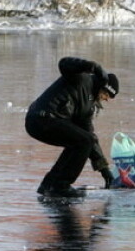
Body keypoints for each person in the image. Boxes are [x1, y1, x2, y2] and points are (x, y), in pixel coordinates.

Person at [25, 57, 118, 197]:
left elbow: (90, 137)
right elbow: (64, 64)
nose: (105, 99)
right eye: (106, 94)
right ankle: (61, 186)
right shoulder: (81, 78)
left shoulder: (87, 107)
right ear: (101, 86)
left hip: (45, 122)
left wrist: (104, 170)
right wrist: (91, 66)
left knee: (80, 141)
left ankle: (49, 184)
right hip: (42, 118)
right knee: (83, 141)